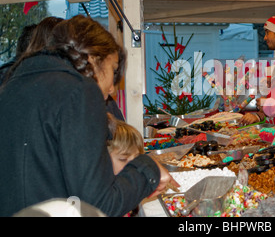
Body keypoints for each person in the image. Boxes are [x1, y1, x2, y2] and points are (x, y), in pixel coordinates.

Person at [0, 15, 178, 217]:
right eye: (113, 69)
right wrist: (148, 169)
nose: (112, 88)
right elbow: (99, 205)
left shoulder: (12, 86)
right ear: (94, 59)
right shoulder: (80, 90)